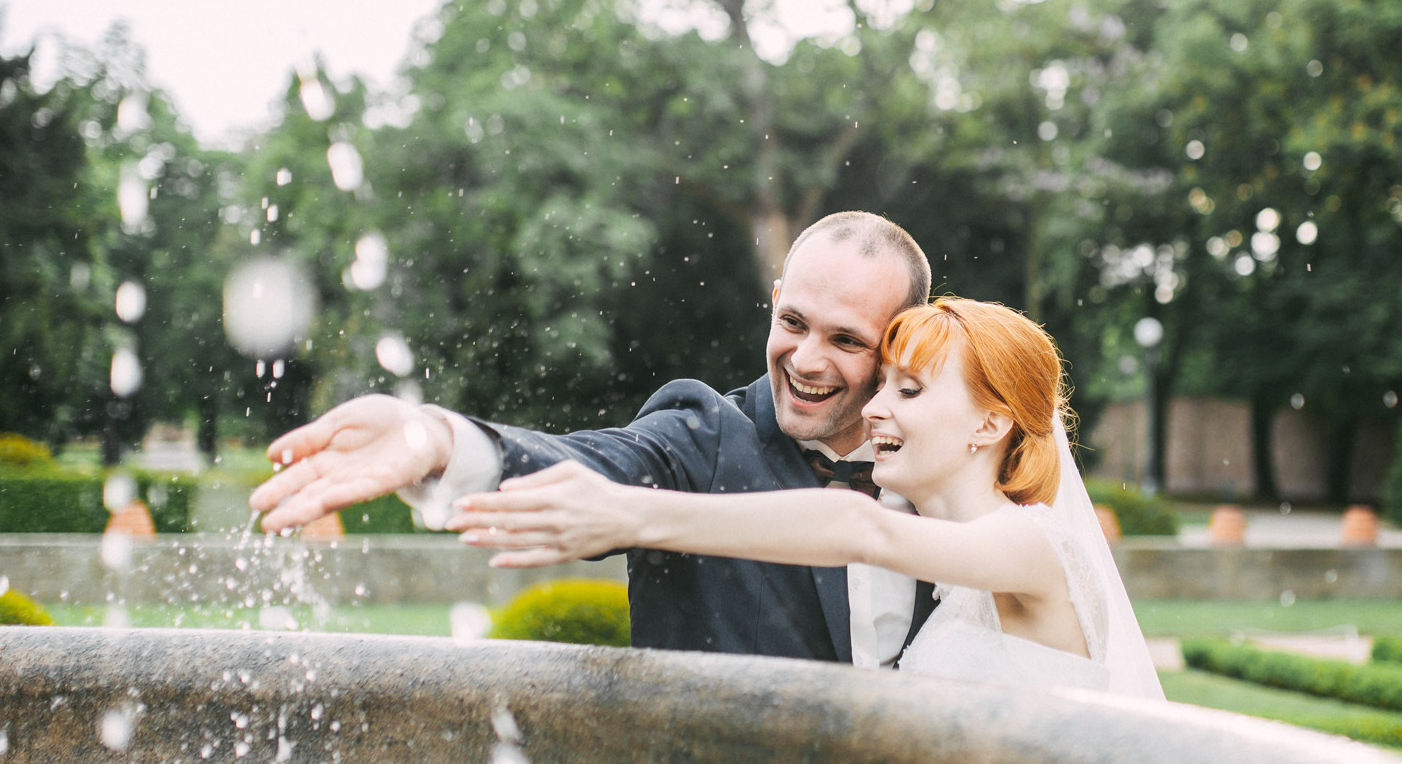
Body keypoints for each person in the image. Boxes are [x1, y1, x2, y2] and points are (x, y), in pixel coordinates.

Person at [250, 211, 940, 667]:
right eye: (793, 322)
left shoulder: (954, 471)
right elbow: (595, 462)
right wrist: (440, 440)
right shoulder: (702, 437)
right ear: (776, 297)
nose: (807, 359)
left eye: (845, 338)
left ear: (905, 338)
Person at [447, 298, 1165, 699]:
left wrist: (633, 513)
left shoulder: (1033, 545)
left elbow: (858, 529)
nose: (876, 409)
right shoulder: (956, 581)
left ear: (990, 422)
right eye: (882, 384)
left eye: (909, 390)